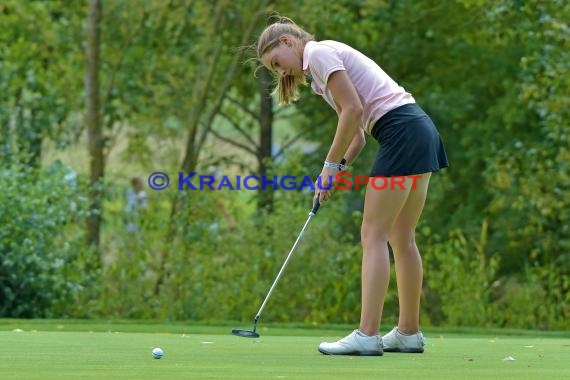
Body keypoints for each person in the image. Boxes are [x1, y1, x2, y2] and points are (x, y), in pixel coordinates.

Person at [256, 17, 448, 356]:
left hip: (402, 131)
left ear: (287, 42)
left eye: (276, 63)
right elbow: (357, 134)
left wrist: (328, 167)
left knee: (373, 235)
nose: (281, 73)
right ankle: (408, 333)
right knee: (402, 238)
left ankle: (367, 334)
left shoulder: (317, 53)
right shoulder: (318, 77)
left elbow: (353, 109)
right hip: (419, 129)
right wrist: (339, 168)